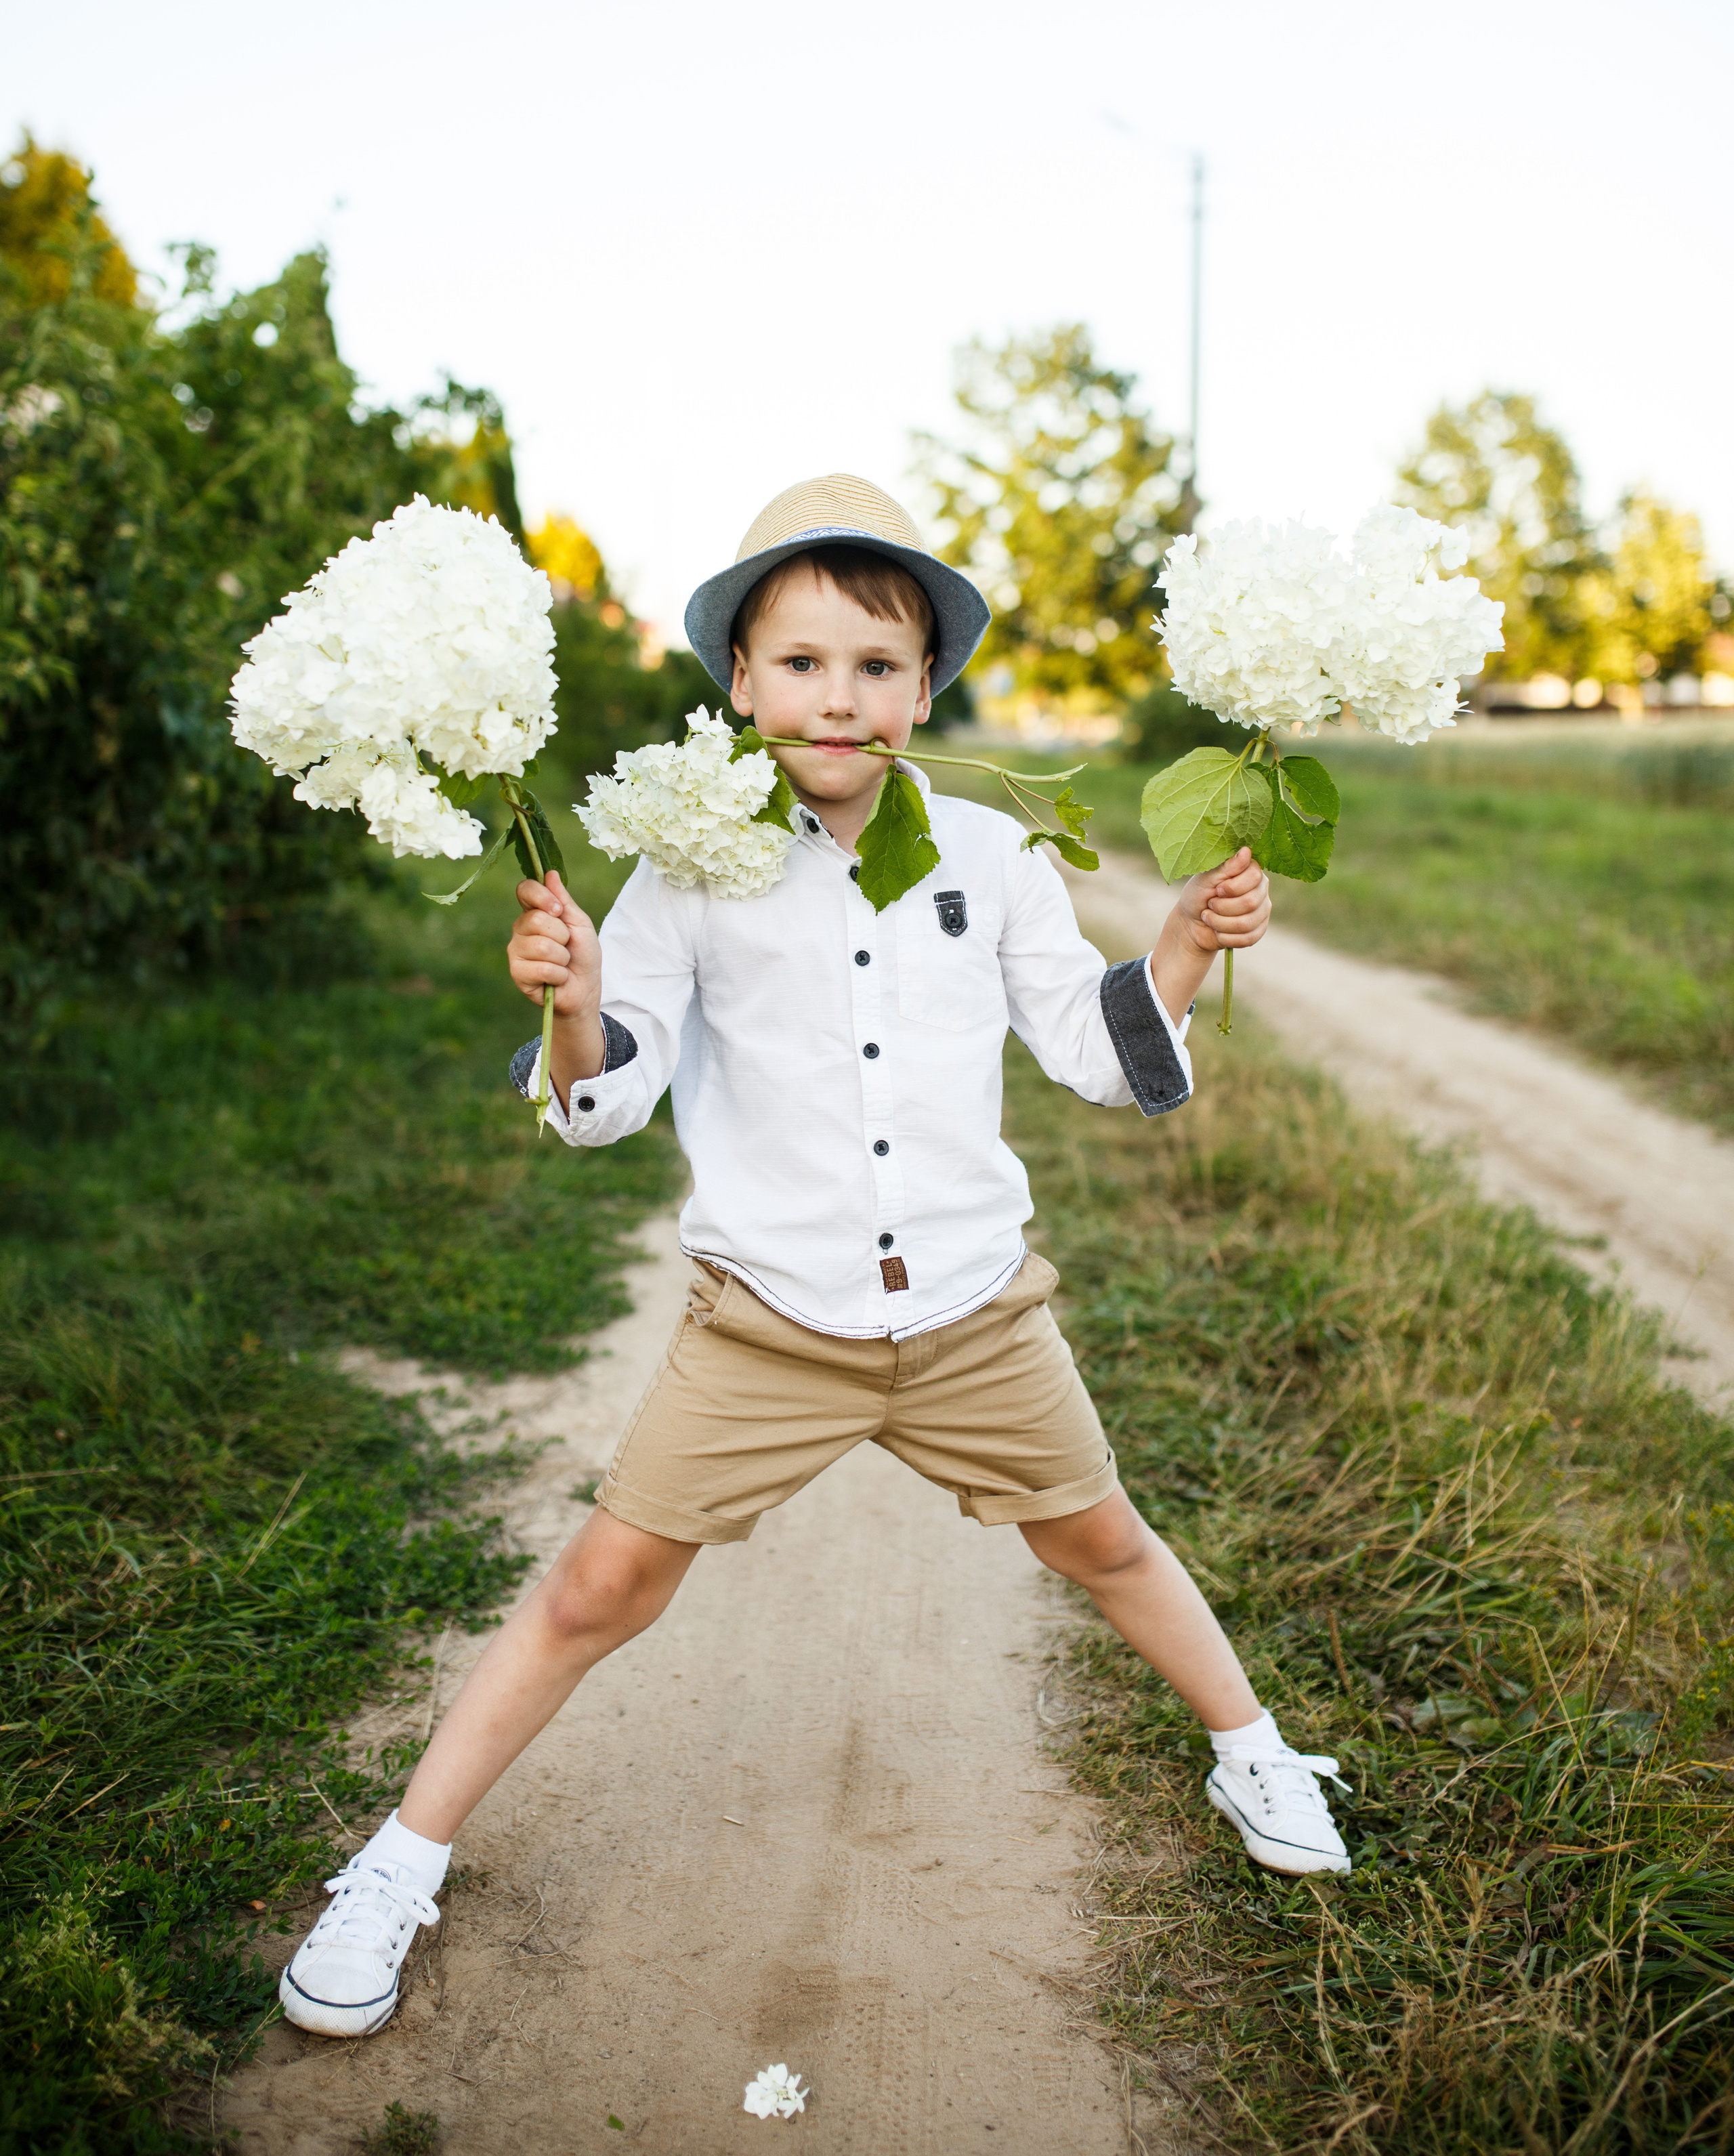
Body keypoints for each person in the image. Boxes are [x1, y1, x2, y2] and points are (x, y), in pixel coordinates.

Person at [280, 475, 1350, 2038]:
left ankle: (1251, 1743)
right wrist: (571, 992)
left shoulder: (990, 850)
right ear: (739, 682)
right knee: (597, 1585)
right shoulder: (684, 861)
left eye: (873, 664)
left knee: (1102, 1542)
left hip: (975, 1314)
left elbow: (1090, 1050)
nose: (835, 696)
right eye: (799, 663)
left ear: (925, 688)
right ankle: (396, 1860)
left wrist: (1185, 940)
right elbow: (604, 1092)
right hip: (768, 1323)